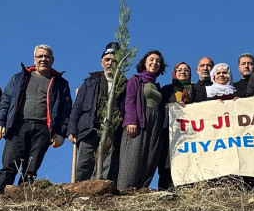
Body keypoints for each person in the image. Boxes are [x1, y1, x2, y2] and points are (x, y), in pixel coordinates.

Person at [0, 45, 72, 193]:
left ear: (52, 60)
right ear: (34, 59)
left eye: (47, 56)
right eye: (40, 56)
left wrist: (61, 132)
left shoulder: (61, 83)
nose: (43, 59)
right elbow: (6, 100)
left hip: (43, 130)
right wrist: (1, 121)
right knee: (8, 166)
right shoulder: (19, 78)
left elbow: (66, 110)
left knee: (30, 169)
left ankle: (24, 202)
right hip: (18, 126)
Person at [67, 42, 125, 182]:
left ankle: (101, 197)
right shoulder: (90, 82)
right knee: (84, 165)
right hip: (89, 129)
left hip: (111, 131)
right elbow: (77, 106)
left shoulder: (125, 84)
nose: (110, 63)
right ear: (102, 62)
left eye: (114, 60)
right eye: (107, 60)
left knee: (107, 166)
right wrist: (71, 129)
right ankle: (79, 194)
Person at [117, 50, 167, 190]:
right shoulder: (136, 80)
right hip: (140, 119)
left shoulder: (157, 86)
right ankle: (125, 189)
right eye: (151, 59)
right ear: (144, 62)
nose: (154, 63)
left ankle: (140, 189)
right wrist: (131, 121)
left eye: (158, 61)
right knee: (133, 156)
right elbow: (130, 101)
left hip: (155, 122)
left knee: (150, 156)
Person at [159, 62, 206, 190]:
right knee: (168, 163)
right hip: (170, 134)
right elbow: (160, 109)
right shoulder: (166, 90)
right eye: (179, 70)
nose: (182, 72)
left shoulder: (199, 90)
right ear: (174, 72)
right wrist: (171, 108)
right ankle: (166, 190)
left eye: (186, 70)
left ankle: (189, 190)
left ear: (191, 73)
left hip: (192, 133)